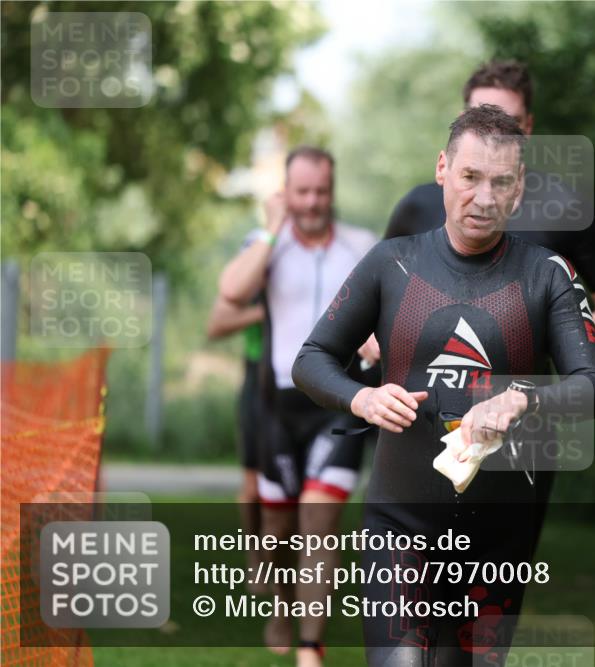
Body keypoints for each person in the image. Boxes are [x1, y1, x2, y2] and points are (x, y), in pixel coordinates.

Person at [292, 105, 595, 666]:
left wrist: (522, 396)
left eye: (501, 182)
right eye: (470, 176)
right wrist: (361, 396)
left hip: (499, 539)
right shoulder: (391, 264)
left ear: (520, 190)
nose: (484, 197)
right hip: (400, 527)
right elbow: (313, 359)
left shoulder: (548, 274)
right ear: (443, 169)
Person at [218, 146, 378, 667]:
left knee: (319, 519)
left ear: (332, 191)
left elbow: (390, 311)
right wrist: (270, 229)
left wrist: (377, 339)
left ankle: (311, 645)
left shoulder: (360, 246)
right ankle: (283, 609)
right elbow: (231, 293)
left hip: (339, 400)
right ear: (286, 194)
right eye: (302, 192)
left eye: (321, 192)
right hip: (277, 406)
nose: (312, 203)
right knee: (278, 530)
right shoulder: (270, 243)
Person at [384, 60, 595, 342]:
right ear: (461, 122)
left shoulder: (566, 208)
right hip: (417, 385)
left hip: (521, 385)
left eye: (510, 123)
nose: (493, 135)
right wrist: (371, 336)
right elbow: (373, 297)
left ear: (527, 127)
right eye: (480, 119)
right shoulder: (418, 205)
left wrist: (554, 334)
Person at [205, 290, 267, 594]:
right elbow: (216, 326)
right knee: (253, 488)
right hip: (258, 379)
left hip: (305, 380)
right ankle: (256, 561)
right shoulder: (255, 275)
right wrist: (265, 311)